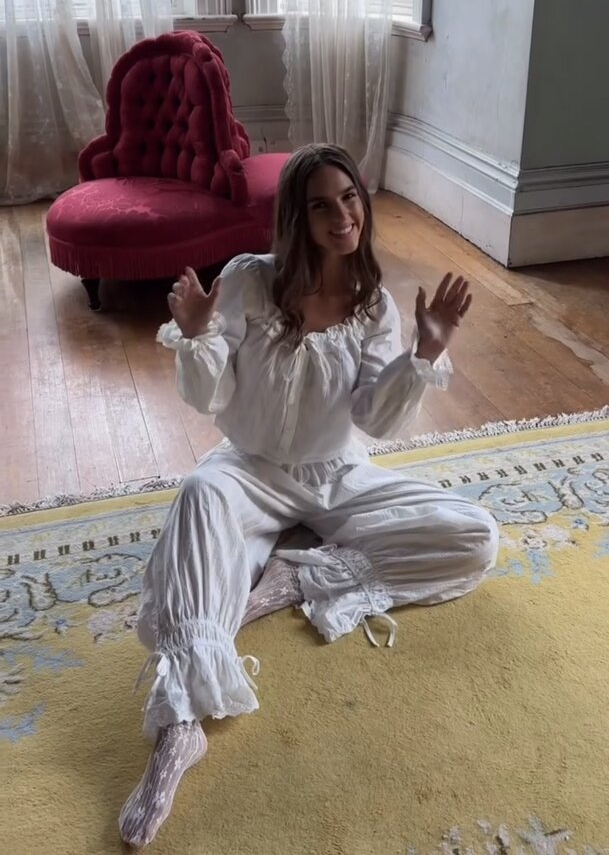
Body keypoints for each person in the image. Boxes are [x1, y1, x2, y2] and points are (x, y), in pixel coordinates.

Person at [119, 144, 499, 848]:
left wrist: (424, 352)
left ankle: (289, 580)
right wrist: (198, 337)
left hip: (337, 475)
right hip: (251, 468)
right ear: (296, 217)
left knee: (474, 534)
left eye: (349, 198)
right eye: (321, 204)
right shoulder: (247, 279)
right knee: (197, 496)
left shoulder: (373, 305)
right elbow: (210, 397)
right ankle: (179, 730)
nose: (342, 215)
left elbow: (375, 421)